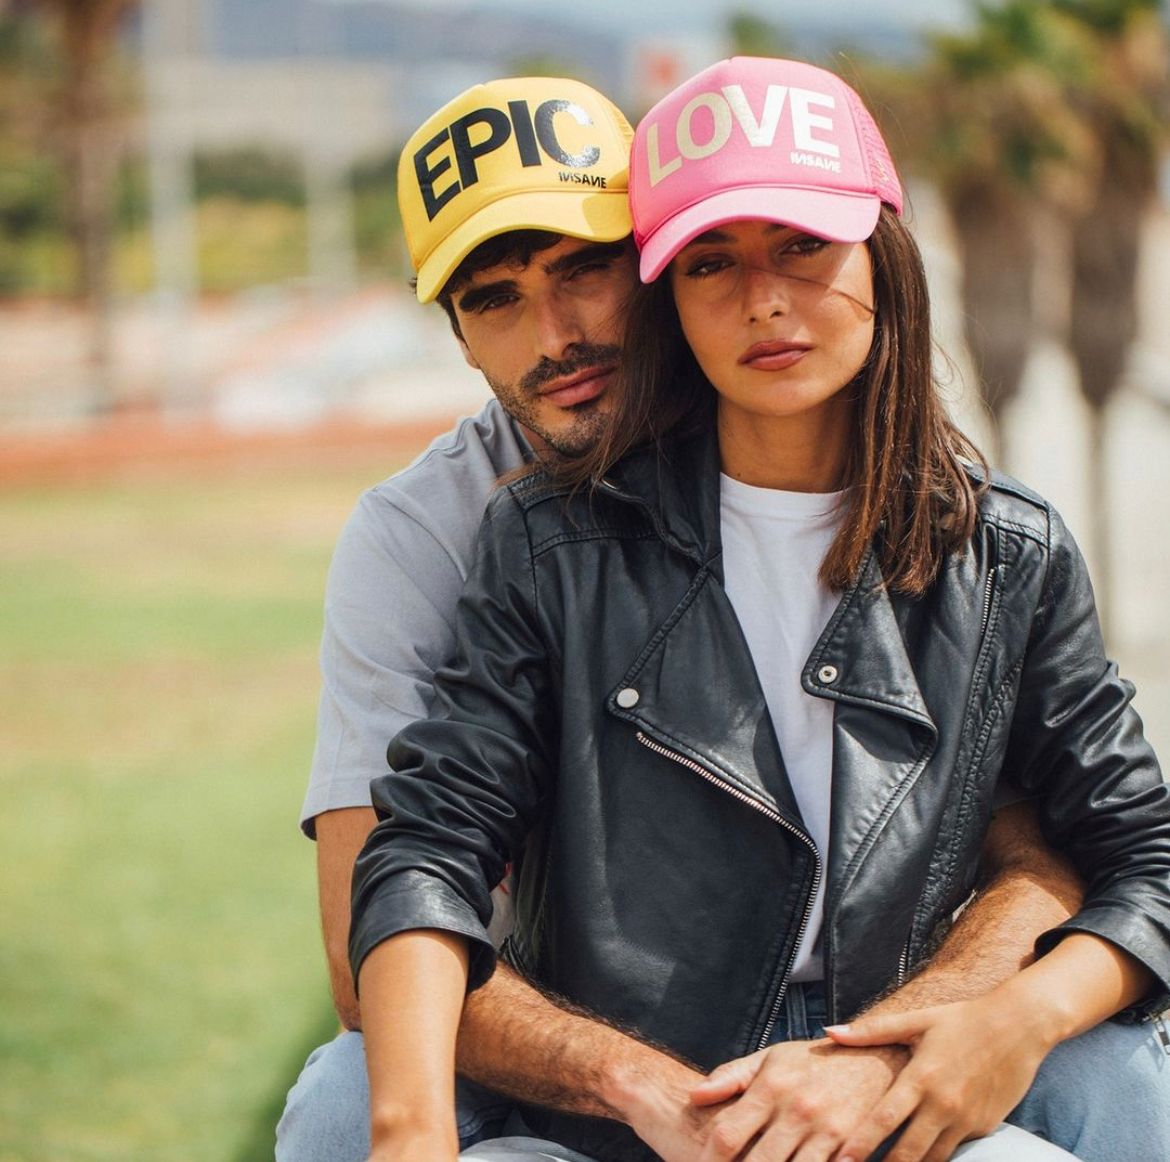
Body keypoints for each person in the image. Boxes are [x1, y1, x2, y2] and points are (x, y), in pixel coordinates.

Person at [346, 58, 1170, 1162]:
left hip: (902, 1105)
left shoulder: (1007, 552)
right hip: (625, 1122)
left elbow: (1142, 855)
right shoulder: (548, 543)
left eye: (804, 245)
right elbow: (427, 847)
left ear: (883, 254)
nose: (766, 299)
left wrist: (1004, 1023)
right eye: (710, 262)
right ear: (668, 300)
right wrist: (410, 1134)